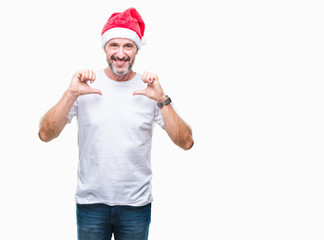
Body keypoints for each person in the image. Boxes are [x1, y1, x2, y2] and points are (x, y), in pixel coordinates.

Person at [38, 7, 193, 240]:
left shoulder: (150, 90)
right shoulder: (84, 86)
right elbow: (45, 134)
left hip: (135, 206)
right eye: (114, 45)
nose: (120, 53)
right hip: (91, 205)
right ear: (105, 48)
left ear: (136, 50)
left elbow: (186, 142)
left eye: (128, 46)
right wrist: (71, 93)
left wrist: (162, 99)